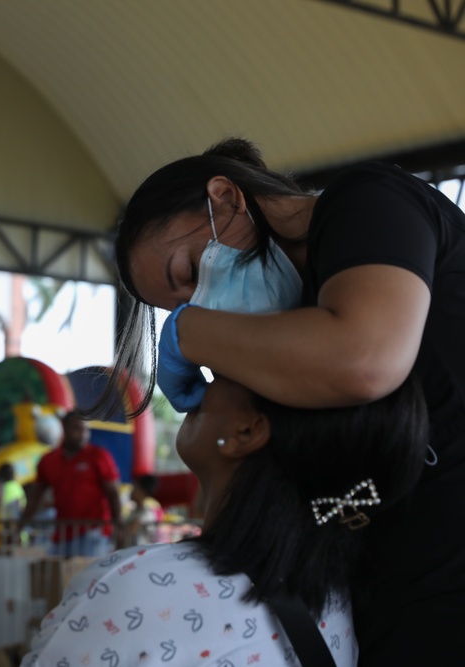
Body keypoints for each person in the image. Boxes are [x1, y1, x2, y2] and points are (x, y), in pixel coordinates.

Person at [110, 137, 465, 666]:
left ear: (226, 197)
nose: (200, 303)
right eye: (181, 307)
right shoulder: (291, 330)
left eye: (186, 275)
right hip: (402, 602)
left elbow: (364, 358)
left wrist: (192, 335)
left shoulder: (368, 202)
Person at [24, 374, 428, 667]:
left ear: (247, 431)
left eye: (227, 368)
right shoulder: (336, 604)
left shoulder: (132, 588)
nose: (203, 379)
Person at [19, 411, 123, 558]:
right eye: (77, 429)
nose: (83, 435)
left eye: (86, 430)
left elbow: (113, 493)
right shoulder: (48, 461)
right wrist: (20, 526)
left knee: (88, 579)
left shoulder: (99, 456)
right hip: (61, 535)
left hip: (93, 533)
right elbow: (35, 498)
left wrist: (118, 529)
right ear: (64, 428)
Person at [126, 473, 163, 545]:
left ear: (142, 492)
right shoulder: (134, 511)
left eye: (135, 488)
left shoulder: (147, 514)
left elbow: (130, 531)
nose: (132, 491)